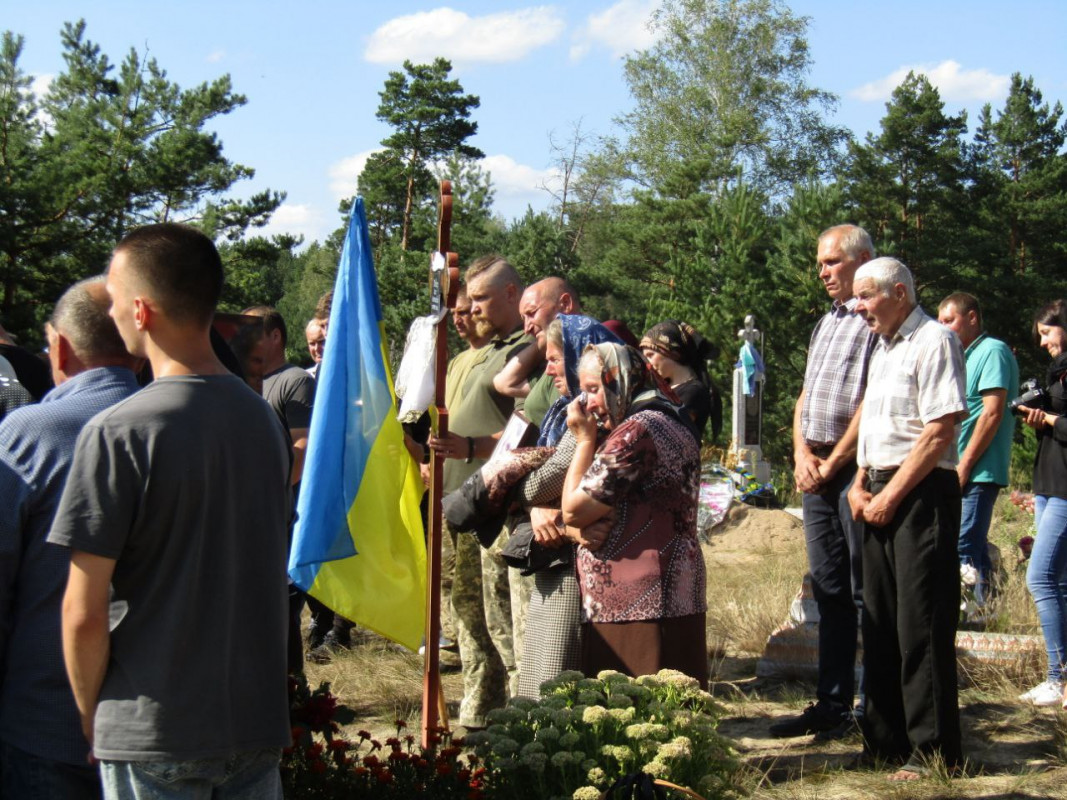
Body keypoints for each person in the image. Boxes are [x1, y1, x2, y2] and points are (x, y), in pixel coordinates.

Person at [49, 223, 292, 798]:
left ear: (141, 310)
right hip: (252, 725)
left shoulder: (119, 431)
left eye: (112, 301)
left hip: (153, 726)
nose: (109, 315)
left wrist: (92, 716)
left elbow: (82, 612)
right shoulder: (262, 421)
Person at [0, 277, 141, 799]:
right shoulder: (173, 427)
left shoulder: (28, 432)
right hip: (157, 726)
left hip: (45, 724)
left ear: (57, 345)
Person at [847, 257, 966, 781]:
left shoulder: (935, 340)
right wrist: (857, 484)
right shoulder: (883, 348)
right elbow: (874, 427)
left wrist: (890, 496)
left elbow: (940, 431)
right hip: (876, 489)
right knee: (879, 625)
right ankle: (885, 741)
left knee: (920, 624)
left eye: (866, 295)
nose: (858, 307)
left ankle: (933, 751)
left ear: (899, 292)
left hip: (919, 494)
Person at [770, 224, 876, 741]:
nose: (823, 272)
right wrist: (799, 454)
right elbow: (805, 395)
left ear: (863, 260)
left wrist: (833, 463)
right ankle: (832, 703)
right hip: (815, 470)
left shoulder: (875, 321)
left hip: (854, 470)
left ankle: (874, 706)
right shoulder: (827, 322)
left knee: (863, 592)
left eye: (832, 262)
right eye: (820, 263)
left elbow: (870, 403)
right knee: (829, 589)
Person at [560, 342, 707, 687]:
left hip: (632, 597)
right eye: (583, 391)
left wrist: (584, 441)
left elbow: (574, 510)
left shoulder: (635, 432)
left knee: (635, 715)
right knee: (676, 712)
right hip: (679, 587)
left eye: (594, 389)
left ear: (620, 379)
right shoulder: (672, 417)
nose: (587, 403)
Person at [428, 255, 530, 728]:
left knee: (499, 615)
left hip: (496, 507)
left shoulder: (525, 349)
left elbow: (530, 433)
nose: (473, 308)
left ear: (511, 294)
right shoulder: (471, 355)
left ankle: (515, 710)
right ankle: (480, 702)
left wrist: (470, 446)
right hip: (455, 501)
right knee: (464, 609)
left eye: (482, 298)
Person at [512, 315, 621, 697]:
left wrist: (533, 499)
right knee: (543, 674)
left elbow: (537, 483)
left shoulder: (588, 417)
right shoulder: (564, 411)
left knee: (561, 681)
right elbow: (532, 495)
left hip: (579, 566)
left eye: (556, 358)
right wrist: (535, 510)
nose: (549, 368)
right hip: (555, 554)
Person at [938, 292, 1018, 613]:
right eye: (940, 321)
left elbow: (992, 413)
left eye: (950, 321)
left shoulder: (992, 351)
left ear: (972, 317)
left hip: (978, 468)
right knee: (970, 545)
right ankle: (990, 608)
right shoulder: (960, 356)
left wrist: (965, 464)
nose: (943, 328)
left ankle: (968, 613)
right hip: (956, 466)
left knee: (963, 545)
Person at [1015, 299, 1067, 707]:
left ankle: (1056, 676)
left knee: (1039, 577)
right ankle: (1062, 680)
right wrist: (1037, 417)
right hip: (1050, 482)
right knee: (1060, 581)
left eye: (1047, 332)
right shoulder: (1056, 371)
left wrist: (1047, 418)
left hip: (1066, 489)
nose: (1042, 341)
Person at [494, 276, 581, 428]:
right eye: (523, 318)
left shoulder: (592, 355)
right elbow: (504, 383)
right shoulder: (550, 368)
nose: (526, 328)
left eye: (532, 313)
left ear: (565, 304)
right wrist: (543, 342)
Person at [640, 319, 722, 442]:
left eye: (651, 355)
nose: (647, 364)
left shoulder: (694, 391)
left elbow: (669, 434)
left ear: (673, 353)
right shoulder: (662, 389)